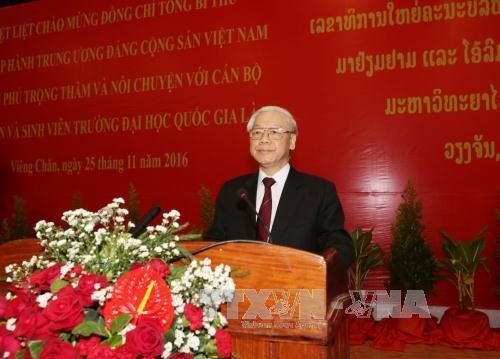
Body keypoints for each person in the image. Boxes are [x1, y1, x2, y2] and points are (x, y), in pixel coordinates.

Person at [206, 105, 354, 267]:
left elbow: (340, 246)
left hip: (297, 288)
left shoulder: (319, 192)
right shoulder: (232, 191)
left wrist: (319, 268)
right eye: (257, 132)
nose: (264, 139)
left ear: (292, 141)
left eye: (274, 132)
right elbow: (214, 243)